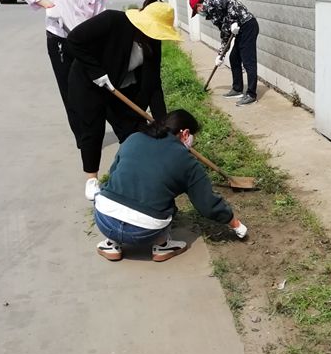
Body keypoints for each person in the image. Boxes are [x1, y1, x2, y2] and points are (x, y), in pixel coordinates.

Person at [93, 109, 248, 262]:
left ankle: (111, 244)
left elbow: (113, 173)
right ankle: (162, 245)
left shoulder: (134, 138)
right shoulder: (187, 161)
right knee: (169, 206)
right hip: (145, 231)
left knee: (114, 191)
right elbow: (207, 203)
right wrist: (235, 224)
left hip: (104, 220)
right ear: (185, 133)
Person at [67, 1, 180, 200]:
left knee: (133, 129)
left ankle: (131, 171)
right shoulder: (112, 20)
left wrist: (163, 123)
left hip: (120, 87)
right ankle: (92, 179)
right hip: (88, 83)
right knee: (93, 129)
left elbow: (153, 84)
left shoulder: (153, 42)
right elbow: (74, 40)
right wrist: (96, 72)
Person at [19, 0, 106, 161]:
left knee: (90, 88)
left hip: (84, 44)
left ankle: (92, 130)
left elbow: (100, 19)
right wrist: (46, 3)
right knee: (70, 91)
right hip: (60, 41)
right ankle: (83, 138)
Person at [189, 0, 259, 107]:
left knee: (248, 61)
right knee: (234, 58)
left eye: (197, 11)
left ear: (199, 5)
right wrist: (220, 54)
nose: (199, 13)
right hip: (240, 30)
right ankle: (237, 89)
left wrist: (233, 21)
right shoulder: (212, 14)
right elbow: (225, 33)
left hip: (248, 25)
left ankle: (251, 95)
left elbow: (230, 3)